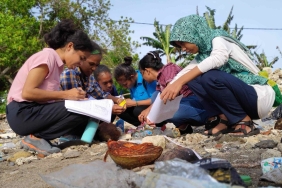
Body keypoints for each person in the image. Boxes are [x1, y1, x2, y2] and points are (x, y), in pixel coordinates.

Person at [160, 14, 280, 137]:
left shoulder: (218, 38)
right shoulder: (202, 55)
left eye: (183, 43)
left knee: (210, 77)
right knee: (193, 78)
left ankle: (245, 121)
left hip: (258, 97)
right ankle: (224, 120)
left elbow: (218, 58)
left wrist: (179, 82)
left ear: (194, 35)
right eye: (180, 46)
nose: (183, 49)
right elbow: (184, 73)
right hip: (244, 101)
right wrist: (170, 87)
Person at [6, 19, 95, 155]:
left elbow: (46, 98)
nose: (81, 63)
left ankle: (39, 138)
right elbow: (28, 93)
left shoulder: (57, 65)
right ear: (70, 46)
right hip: (21, 112)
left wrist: (75, 98)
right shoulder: (47, 57)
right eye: (81, 58)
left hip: (30, 111)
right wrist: (66, 95)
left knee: (84, 110)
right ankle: (35, 138)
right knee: (81, 110)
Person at [138, 51, 208, 134]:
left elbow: (171, 94)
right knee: (156, 96)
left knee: (170, 111)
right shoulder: (159, 81)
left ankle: (211, 117)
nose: (143, 77)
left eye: (142, 74)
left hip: (195, 101)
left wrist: (149, 110)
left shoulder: (168, 69)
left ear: (147, 71)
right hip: (184, 103)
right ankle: (183, 126)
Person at [113, 57, 157, 126]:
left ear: (132, 77)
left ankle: (153, 124)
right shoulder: (132, 83)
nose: (125, 87)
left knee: (137, 110)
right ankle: (140, 125)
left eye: (125, 84)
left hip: (153, 108)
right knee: (119, 110)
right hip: (140, 108)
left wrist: (134, 103)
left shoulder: (146, 78)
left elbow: (156, 99)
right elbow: (135, 99)